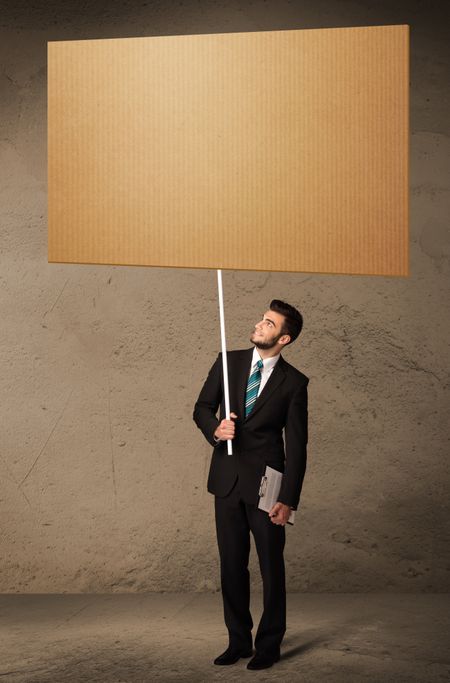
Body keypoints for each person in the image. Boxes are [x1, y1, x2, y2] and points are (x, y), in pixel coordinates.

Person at [193, 299, 309, 671]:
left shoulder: (294, 383)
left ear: (284, 338)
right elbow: (201, 407)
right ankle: (238, 641)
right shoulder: (228, 362)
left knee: (271, 566)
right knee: (231, 565)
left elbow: (297, 445)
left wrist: (288, 499)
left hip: (268, 485)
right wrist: (215, 428)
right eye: (261, 319)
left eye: (269, 323)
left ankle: (269, 645)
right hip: (226, 480)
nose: (260, 325)